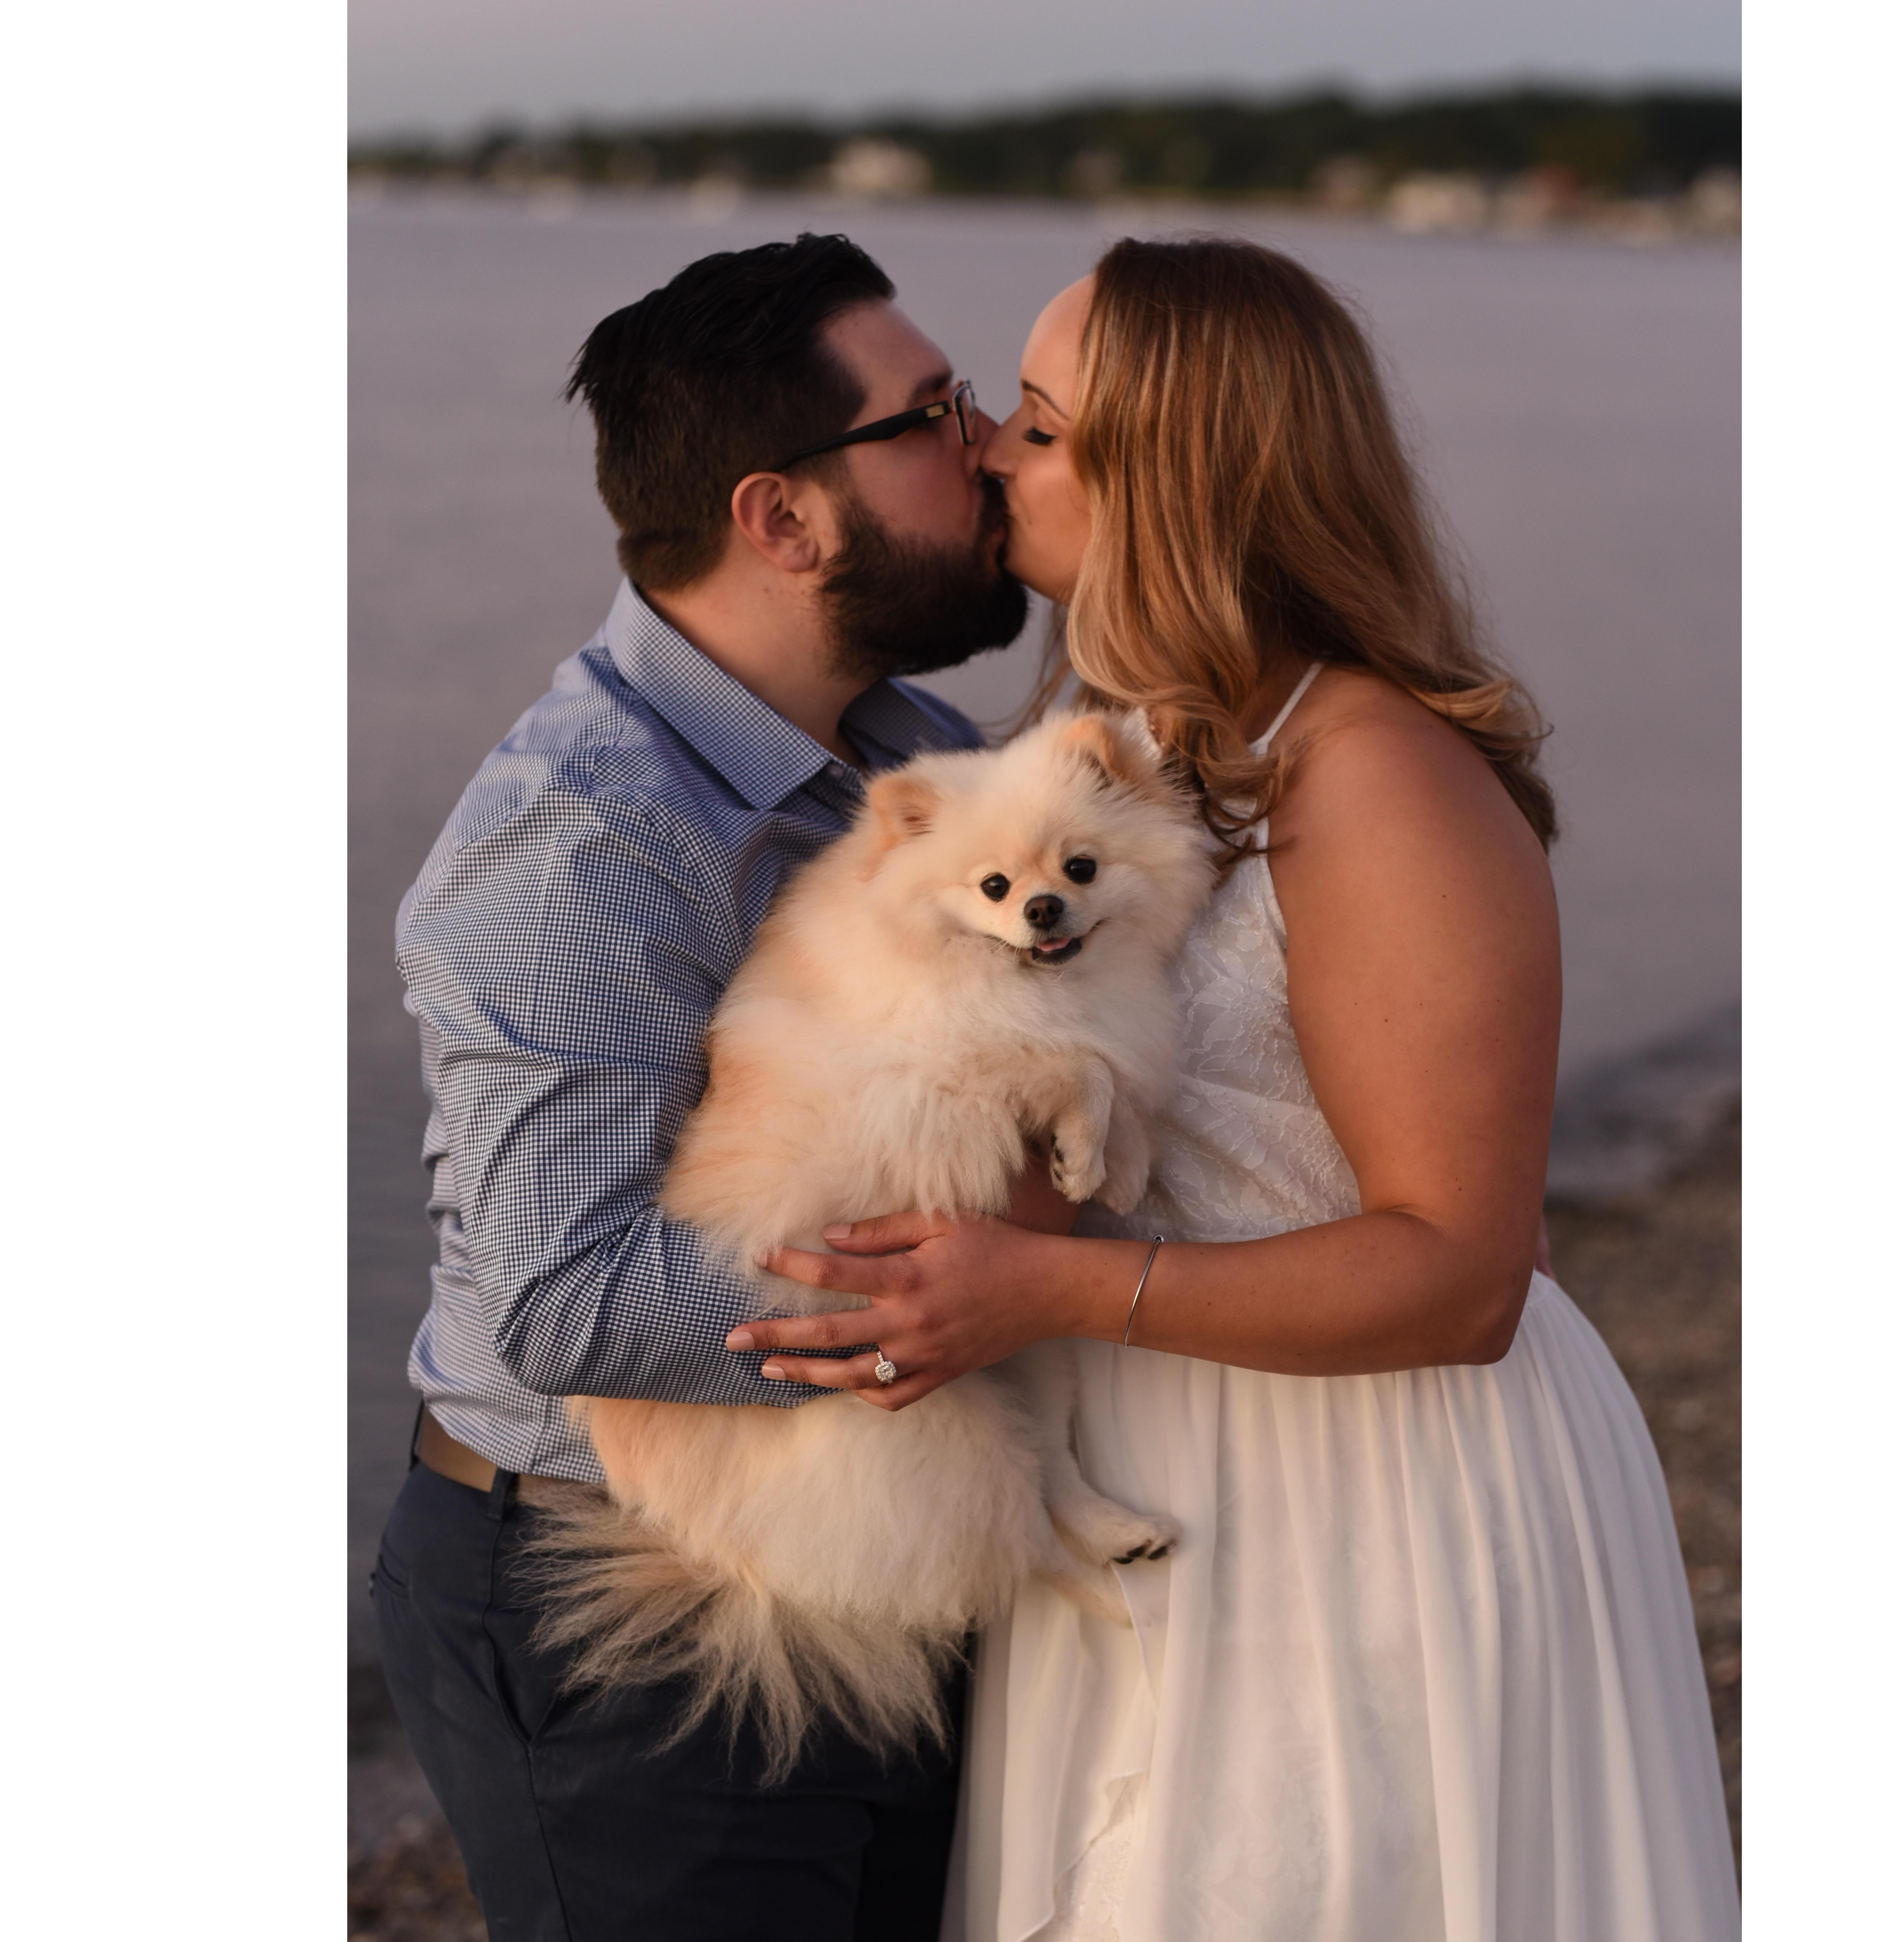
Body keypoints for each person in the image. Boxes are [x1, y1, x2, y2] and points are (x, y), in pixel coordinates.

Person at [728, 238, 1742, 1940]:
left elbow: (1471, 1273)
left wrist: (1041, 1286)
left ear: (1179, 481)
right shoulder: (1131, 740)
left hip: (1368, 1503)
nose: (988, 450)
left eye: (1040, 424)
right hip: (1164, 1472)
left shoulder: (1379, 779)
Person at [371, 232, 1068, 1942]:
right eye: (932, 416)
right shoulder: (586, 837)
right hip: (626, 1604)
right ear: (783, 518)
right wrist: (982, 1271)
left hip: (855, 1534)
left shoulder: (911, 761)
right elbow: (569, 1298)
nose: (983, 448)